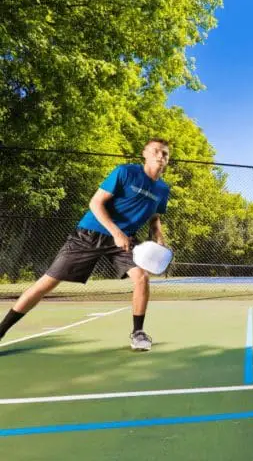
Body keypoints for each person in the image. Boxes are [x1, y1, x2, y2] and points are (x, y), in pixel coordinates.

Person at [0, 139, 171, 351]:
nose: (160, 156)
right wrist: (115, 232)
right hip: (90, 233)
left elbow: (155, 217)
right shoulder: (125, 172)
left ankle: (138, 333)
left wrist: (159, 237)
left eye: (164, 153)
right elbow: (95, 203)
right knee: (47, 283)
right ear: (145, 154)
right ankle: (1, 330)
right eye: (155, 151)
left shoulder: (163, 189)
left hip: (124, 240)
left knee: (141, 277)